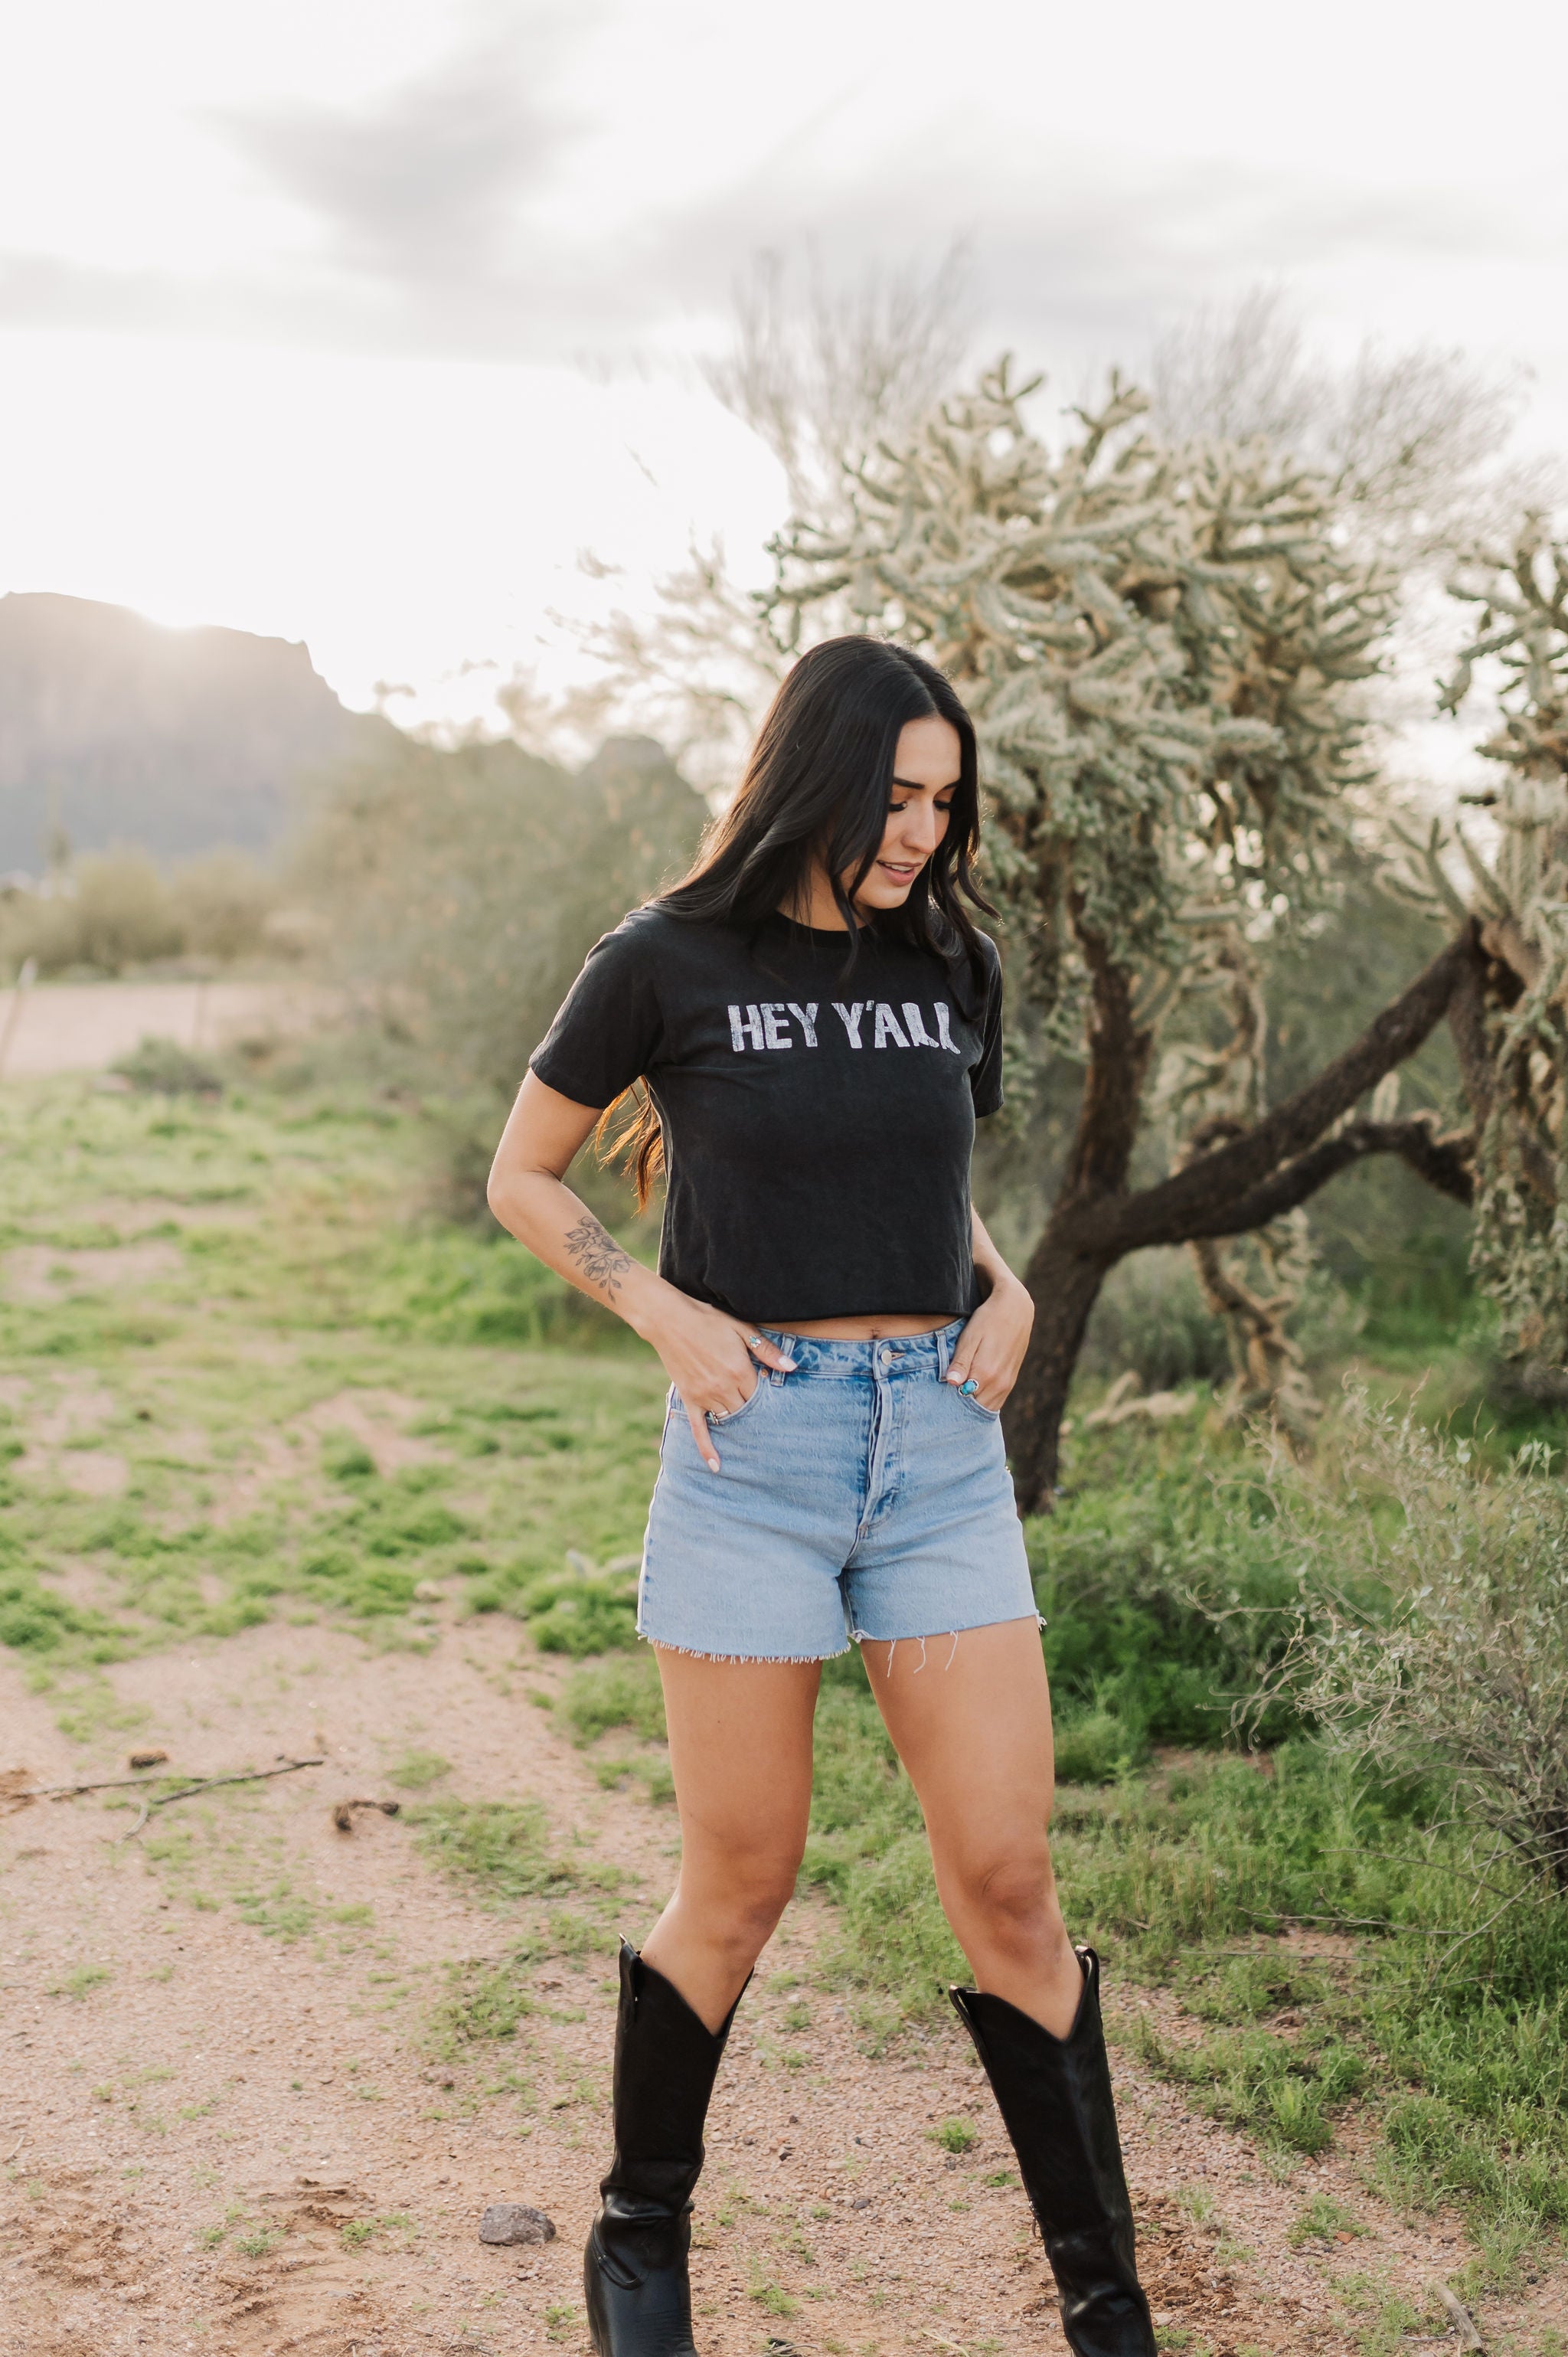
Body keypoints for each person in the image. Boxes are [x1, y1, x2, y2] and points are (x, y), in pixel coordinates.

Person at [487, 636, 1156, 2357]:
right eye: (897, 796)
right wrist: (659, 1310)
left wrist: (998, 1280)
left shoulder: (951, 961)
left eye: (948, 802)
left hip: (933, 1448)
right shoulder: (663, 958)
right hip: (753, 1458)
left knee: (1009, 1877)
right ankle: (639, 2246)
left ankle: (1105, 2309)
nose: (923, 831)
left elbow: (924, 1168)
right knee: (743, 1878)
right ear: (817, 775)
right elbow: (524, 1172)